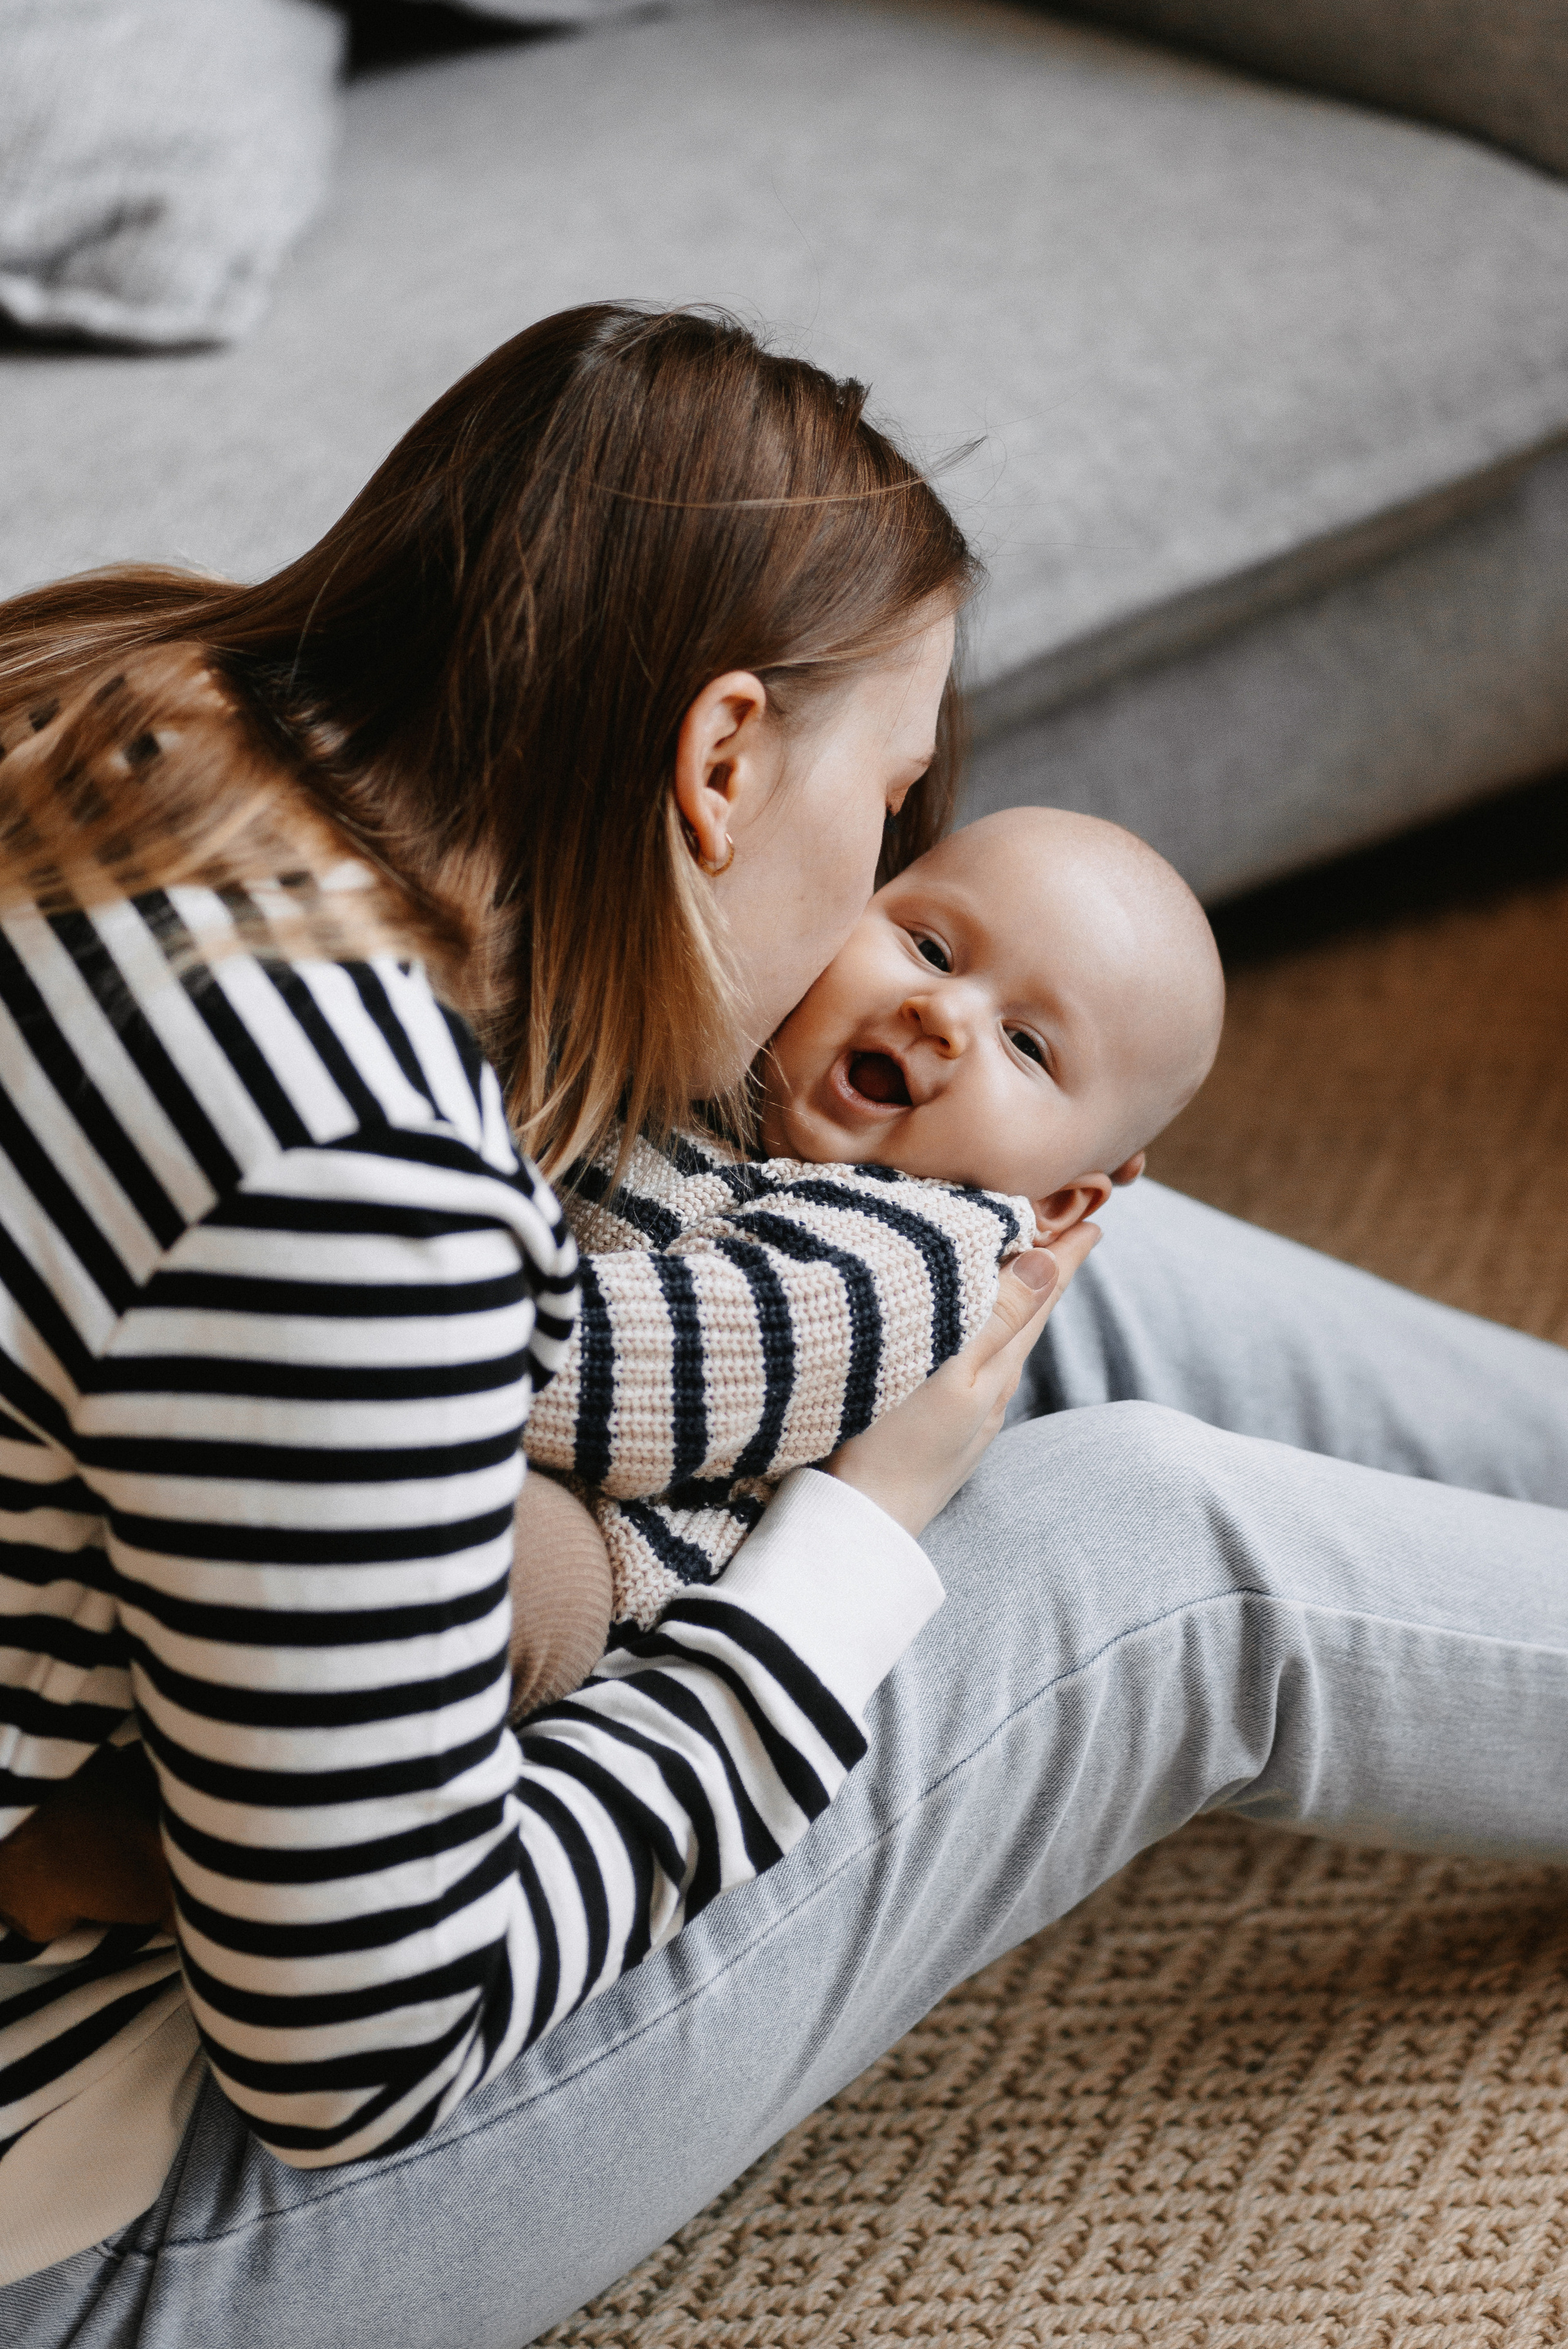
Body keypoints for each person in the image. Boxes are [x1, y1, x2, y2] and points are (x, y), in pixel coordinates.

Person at [1, 305, 1566, 2349]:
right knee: (1141, 1544)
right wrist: (857, 1545)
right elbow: (370, 2046)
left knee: (1001, 1215)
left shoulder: (112, 701)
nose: (877, 901)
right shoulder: (360, 1184)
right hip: (73, 2235)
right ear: (723, 757)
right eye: (894, 816)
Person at [519, 804, 1225, 1641]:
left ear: (1057, 1203)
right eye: (931, 950)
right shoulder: (736, 1059)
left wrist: (426, 1331)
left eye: (1027, 1045)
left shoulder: (916, 1251)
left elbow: (664, 1371)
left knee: (540, 1576)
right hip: (478, 1362)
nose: (943, 1013)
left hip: (594, 1534)